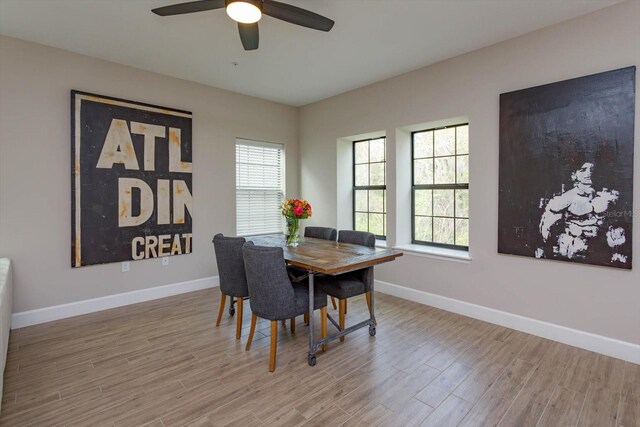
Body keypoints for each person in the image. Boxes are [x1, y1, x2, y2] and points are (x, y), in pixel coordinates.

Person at [537, 161, 627, 265]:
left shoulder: (606, 197)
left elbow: (616, 223)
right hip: (571, 253)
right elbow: (546, 226)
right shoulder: (565, 198)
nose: (588, 173)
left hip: (600, 253)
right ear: (574, 175)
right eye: (583, 170)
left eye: (591, 170)